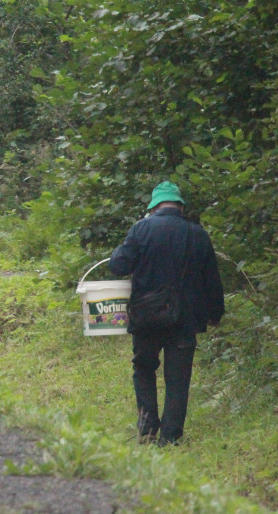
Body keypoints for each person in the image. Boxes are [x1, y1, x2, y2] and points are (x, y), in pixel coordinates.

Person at [109, 181, 224, 446]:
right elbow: (212, 281)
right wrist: (215, 314)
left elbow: (118, 266)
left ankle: (147, 429)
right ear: (180, 206)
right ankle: (171, 438)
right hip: (185, 319)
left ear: (154, 206)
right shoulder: (198, 234)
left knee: (144, 368)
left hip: (147, 317)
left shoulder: (141, 229)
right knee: (178, 377)